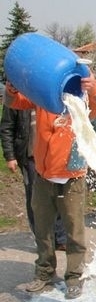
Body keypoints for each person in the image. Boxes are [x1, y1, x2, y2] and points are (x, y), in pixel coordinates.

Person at [4, 72, 96, 299]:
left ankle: (74, 276)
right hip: (43, 177)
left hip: (73, 178)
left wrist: (94, 88)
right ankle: (44, 272)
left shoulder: (80, 101)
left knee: (74, 230)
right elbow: (14, 102)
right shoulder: (43, 98)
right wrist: (11, 88)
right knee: (43, 229)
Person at [0, 102, 67, 249]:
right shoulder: (17, 97)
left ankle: (60, 238)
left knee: (60, 195)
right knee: (35, 200)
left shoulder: (49, 94)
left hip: (55, 156)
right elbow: (7, 128)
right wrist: (10, 156)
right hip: (30, 158)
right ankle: (42, 240)